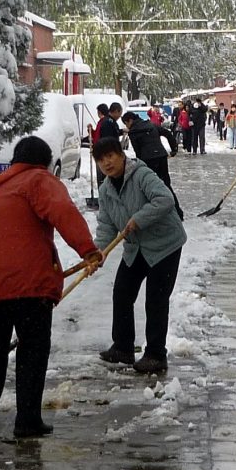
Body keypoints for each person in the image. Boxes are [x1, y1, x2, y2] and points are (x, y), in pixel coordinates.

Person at [0, 136, 104, 438]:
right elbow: (62, 211)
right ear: (43, 162)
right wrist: (89, 251)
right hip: (27, 282)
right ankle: (27, 420)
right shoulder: (38, 179)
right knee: (32, 349)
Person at [91, 138, 187, 375]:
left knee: (155, 299)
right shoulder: (106, 190)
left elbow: (165, 200)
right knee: (122, 293)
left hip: (165, 244)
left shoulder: (142, 175)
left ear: (121, 155)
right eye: (101, 160)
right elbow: (105, 225)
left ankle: (156, 355)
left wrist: (139, 218)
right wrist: (97, 252)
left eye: (110, 156)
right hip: (136, 248)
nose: (107, 163)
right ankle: (122, 347)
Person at [120, 111, 183, 220]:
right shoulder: (151, 124)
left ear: (130, 120)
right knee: (166, 185)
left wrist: (140, 165)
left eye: (126, 124)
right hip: (161, 157)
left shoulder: (133, 132)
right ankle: (177, 212)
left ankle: (157, 213)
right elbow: (167, 134)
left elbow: (137, 151)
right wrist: (174, 149)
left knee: (150, 187)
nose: (127, 126)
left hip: (148, 160)